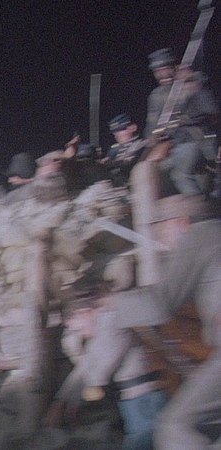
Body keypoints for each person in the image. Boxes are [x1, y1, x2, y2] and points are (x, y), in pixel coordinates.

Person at [104, 194, 220, 448]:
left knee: (176, 426)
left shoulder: (200, 235)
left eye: (160, 229)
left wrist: (110, 303)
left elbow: (158, 304)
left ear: (181, 222)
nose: (160, 239)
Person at [49, 290, 166, 450]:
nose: (81, 334)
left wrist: (77, 399)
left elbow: (98, 374)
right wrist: (64, 401)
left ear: (84, 312)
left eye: (78, 329)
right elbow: (88, 366)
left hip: (144, 400)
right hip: (135, 400)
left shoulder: (111, 324)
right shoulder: (102, 328)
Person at [145, 49, 219, 195]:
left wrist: (195, 86)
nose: (162, 75)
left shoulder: (192, 84)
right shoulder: (156, 95)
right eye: (158, 71)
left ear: (175, 67)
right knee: (155, 173)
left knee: (180, 175)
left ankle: (197, 206)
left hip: (197, 140)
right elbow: (152, 125)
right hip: (174, 145)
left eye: (166, 69)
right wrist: (153, 138)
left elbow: (213, 111)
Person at [100, 113, 145, 187]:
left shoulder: (141, 145)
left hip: (134, 184)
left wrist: (112, 163)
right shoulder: (114, 149)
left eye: (120, 130)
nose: (116, 135)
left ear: (133, 128)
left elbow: (130, 163)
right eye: (114, 132)